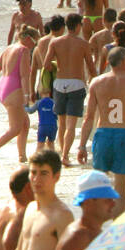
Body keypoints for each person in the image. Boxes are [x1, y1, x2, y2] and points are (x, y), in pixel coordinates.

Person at [79, 46, 125, 216]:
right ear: (123, 61)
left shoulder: (97, 82)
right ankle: (118, 233)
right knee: (120, 194)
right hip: (124, 135)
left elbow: (89, 117)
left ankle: (99, 231)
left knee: (100, 190)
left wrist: (81, 145)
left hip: (103, 135)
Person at [0, 25, 38, 166]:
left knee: (25, 123)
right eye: (34, 42)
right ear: (28, 38)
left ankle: (22, 156)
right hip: (15, 90)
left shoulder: (8, 49)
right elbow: (24, 76)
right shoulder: (23, 50)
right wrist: (27, 95)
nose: (34, 46)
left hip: (3, 88)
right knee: (15, 128)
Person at [48, 13, 95, 164]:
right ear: (78, 26)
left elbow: (46, 64)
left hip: (60, 83)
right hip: (76, 83)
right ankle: (65, 156)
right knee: (71, 125)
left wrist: (60, 66)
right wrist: (93, 79)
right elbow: (91, 67)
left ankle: (63, 153)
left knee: (61, 124)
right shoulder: (83, 44)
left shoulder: (55, 42)